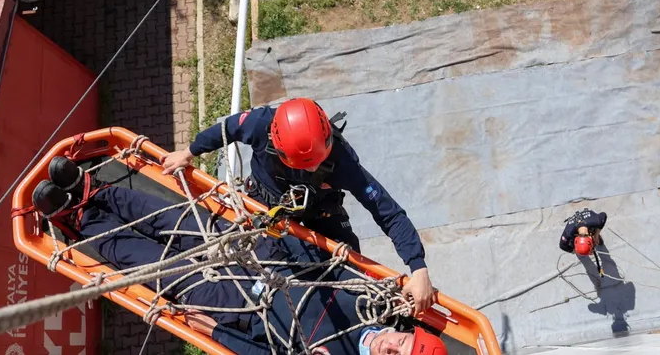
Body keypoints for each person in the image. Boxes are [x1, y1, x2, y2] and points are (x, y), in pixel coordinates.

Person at [31, 157, 446, 355]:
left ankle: (80, 218)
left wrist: (214, 332)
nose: (391, 347)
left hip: (241, 307)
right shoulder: (377, 306)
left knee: (150, 265)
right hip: (265, 256)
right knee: (174, 221)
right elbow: (336, 264)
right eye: (403, 342)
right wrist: (414, 274)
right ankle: (94, 190)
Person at [160, 98, 436, 315]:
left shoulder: (342, 163)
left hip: (319, 210)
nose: (315, 167)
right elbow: (229, 128)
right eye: (306, 165)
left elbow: (386, 211)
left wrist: (418, 267)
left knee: (347, 264)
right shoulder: (259, 124)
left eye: (319, 162)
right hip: (265, 201)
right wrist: (189, 152)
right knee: (262, 258)